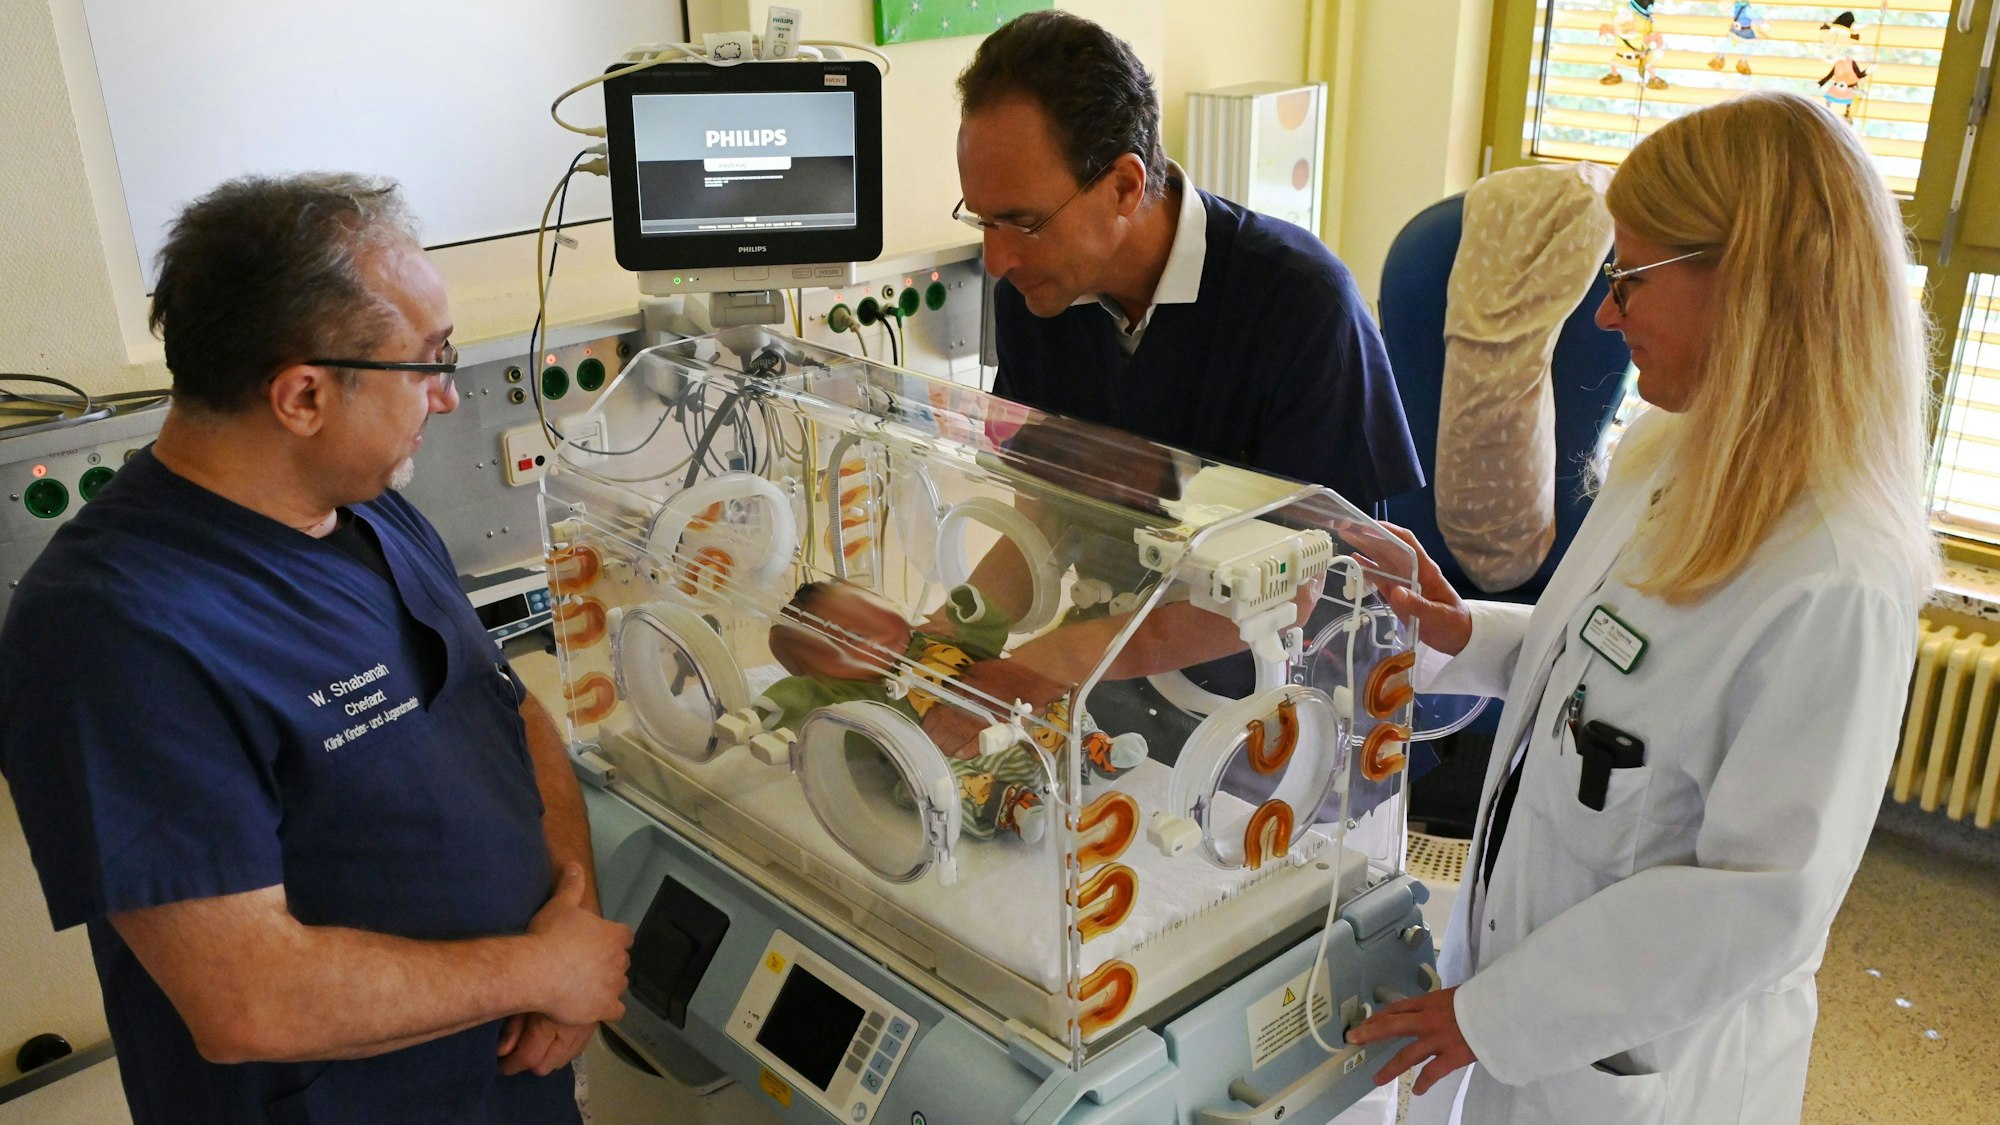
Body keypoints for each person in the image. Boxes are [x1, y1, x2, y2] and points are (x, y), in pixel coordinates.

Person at [1345, 91, 1934, 1124]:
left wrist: (1497, 1017)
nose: (1606, 317)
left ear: (1748, 287)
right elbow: (1611, 679)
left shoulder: (1834, 577)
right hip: (1528, 980)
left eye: (1625, 280)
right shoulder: (1667, 455)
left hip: (1638, 1064)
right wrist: (1462, 635)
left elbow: (1757, 903)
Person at [0, 174, 633, 1124]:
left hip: (509, 1077)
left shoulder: (368, 508)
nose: (451, 396)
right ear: (302, 395)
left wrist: (570, 909)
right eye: (428, 362)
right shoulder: (113, 633)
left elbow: (504, 709)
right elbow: (247, 997)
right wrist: (539, 967)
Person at [955, 10, 1422, 514]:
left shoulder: (1303, 308)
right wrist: (961, 597)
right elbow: (1042, 523)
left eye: (1023, 222)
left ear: (1124, 188)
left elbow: (1327, 572)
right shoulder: (1035, 299)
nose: (998, 261)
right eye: (983, 221)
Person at [749, 579, 1147, 843]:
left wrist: (967, 609)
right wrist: (766, 710)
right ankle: (1010, 805)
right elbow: (807, 699)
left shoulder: (933, 639)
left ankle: (1091, 750)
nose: (875, 633)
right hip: (956, 755)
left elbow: (986, 635)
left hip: (1020, 715)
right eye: (850, 637)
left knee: (1056, 704)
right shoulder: (857, 690)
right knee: (926, 786)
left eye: (869, 614)